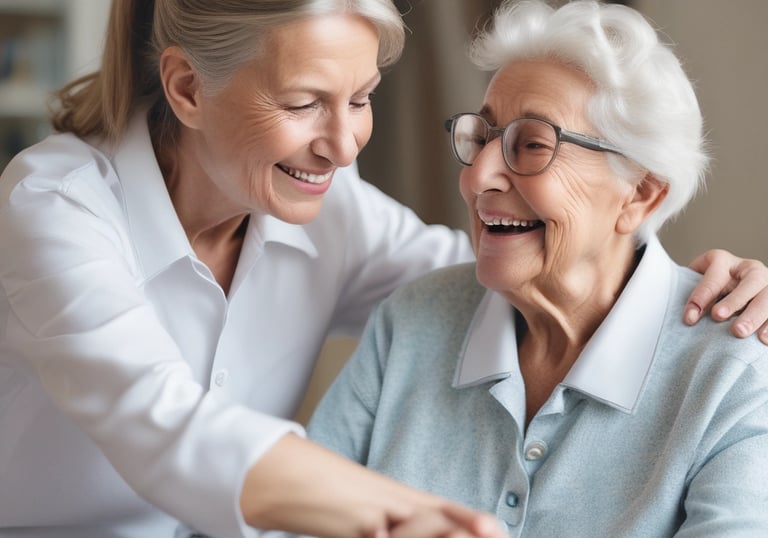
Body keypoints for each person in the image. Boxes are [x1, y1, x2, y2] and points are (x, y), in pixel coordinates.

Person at [0, 0, 764, 537]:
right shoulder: (55, 205)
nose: (344, 146)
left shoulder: (333, 212)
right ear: (188, 88)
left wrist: (698, 289)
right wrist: (413, 516)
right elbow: (163, 426)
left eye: (361, 99)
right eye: (303, 102)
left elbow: (511, 273)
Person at [307, 1, 768, 536]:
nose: (477, 177)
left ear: (639, 194)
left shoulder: (736, 374)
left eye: (531, 145)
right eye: (481, 138)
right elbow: (300, 520)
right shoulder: (411, 322)